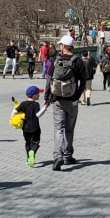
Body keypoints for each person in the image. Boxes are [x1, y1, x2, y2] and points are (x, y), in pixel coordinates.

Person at [43, 34, 87, 171]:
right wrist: (77, 95)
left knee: (58, 129)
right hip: (72, 99)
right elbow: (83, 81)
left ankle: (57, 156)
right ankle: (67, 155)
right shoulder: (78, 61)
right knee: (69, 129)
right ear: (72, 47)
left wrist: (47, 97)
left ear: (63, 46)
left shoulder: (56, 61)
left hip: (57, 100)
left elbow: (48, 80)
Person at [16, 86, 43, 167]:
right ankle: (33, 152)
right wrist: (44, 108)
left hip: (25, 128)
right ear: (34, 95)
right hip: (35, 128)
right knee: (35, 142)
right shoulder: (36, 104)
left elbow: (14, 112)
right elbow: (38, 115)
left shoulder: (23, 104)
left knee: (28, 143)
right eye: (38, 94)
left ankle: (28, 159)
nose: (39, 95)